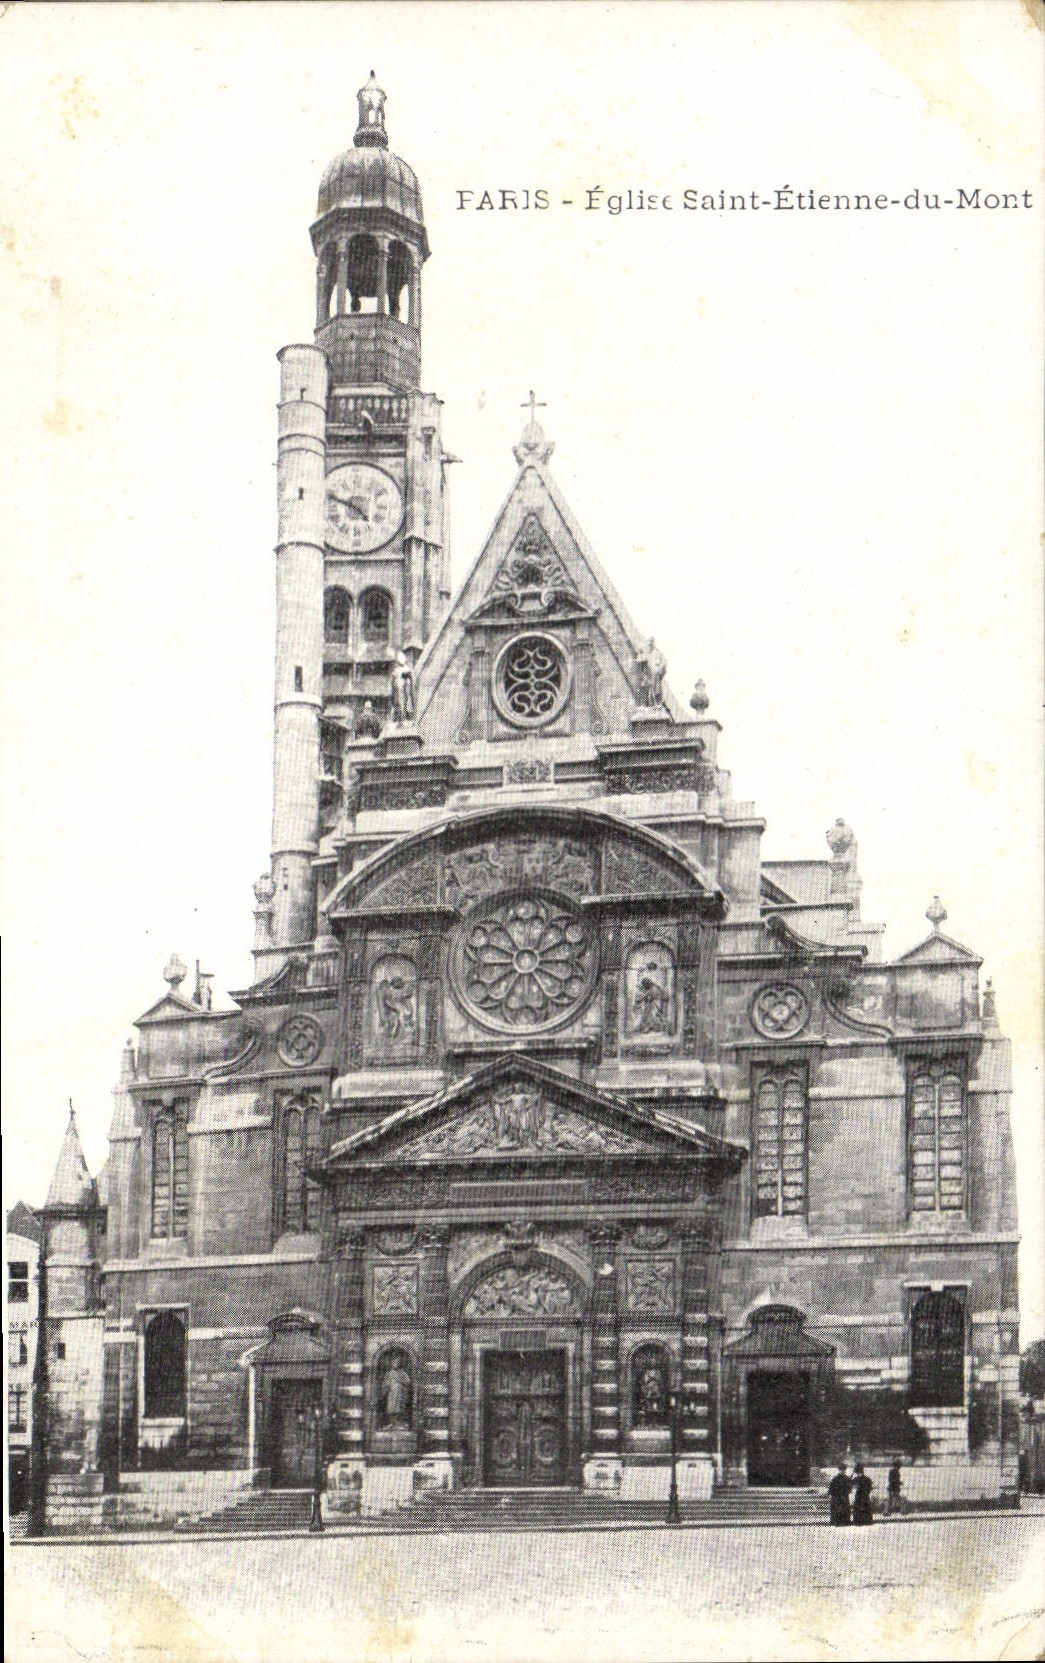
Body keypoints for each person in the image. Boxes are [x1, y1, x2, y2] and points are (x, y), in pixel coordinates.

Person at [827, 1461, 852, 1526]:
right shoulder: (835, 1478)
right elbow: (831, 1488)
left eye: (844, 1470)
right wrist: (833, 1494)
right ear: (839, 1470)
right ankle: (836, 1522)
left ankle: (844, 1522)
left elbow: (849, 1488)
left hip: (844, 1497)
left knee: (844, 1509)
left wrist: (846, 1492)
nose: (843, 1471)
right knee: (837, 1509)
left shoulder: (847, 1478)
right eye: (841, 1470)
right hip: (837, 1497)